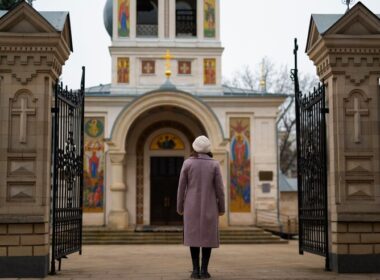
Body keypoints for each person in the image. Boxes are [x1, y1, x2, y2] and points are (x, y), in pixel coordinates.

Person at [177, 135, 225, 279]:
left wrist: (180, 207)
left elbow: (181, 188)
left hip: (191, 207)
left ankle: (195, 270)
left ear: (194, 147)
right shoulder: (214, 164)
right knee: (207, 239)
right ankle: (204, 271)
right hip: (210, 207)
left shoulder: (187, 163)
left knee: (193, 239)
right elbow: (220, 190)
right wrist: (221, 208)